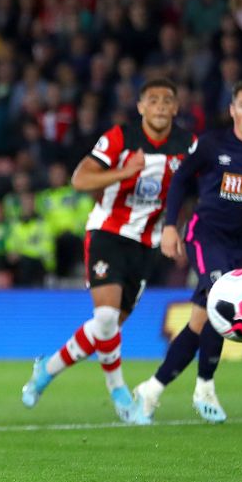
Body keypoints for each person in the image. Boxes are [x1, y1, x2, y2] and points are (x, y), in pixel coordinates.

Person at [132, 78, 242, 424]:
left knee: (201, 320)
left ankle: (152, 388)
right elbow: (181, 180)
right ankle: (204, 387)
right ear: (232, 110)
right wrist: (170, 226)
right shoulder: (212, 144)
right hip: (205, 235)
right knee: (220, 298)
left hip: (237, 248)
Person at [22, 78, 196, 423]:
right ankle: (120, 394)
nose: (160, 106)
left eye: (167, 101)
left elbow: (194, 189)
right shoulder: (120, 138)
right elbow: (80, 180)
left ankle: (47, 368)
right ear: (141, 107)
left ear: (176, 108)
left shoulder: (186, 145)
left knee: (108, 327)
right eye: (153, 100)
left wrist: (178, 229)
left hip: (147, 245)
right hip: (108, 233)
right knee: (104, 319)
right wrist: (123, 172)